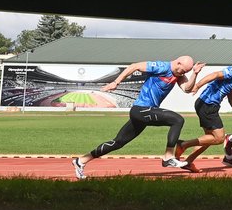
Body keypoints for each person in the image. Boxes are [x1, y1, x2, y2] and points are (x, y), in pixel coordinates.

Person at [72, 56, 205, 179]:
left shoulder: (178, 74)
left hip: (145, 113)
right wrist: (115, 82)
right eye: (183, 70)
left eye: (186, 72)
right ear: (178, 62)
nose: (183, 74)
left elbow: (188, 89)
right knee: (177, 119)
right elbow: (134, 66)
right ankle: (168, 156)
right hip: (140, 110)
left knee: (117, 143)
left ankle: (81, 160)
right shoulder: (161, 67)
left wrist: (195, 73)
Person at [173, 56, 232, 171]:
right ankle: (183, 144)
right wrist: (197, 86)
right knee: (219, 138)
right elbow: (214, 75)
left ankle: (188, 162)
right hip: (207, 105)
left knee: (209, 139)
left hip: (208, 105)